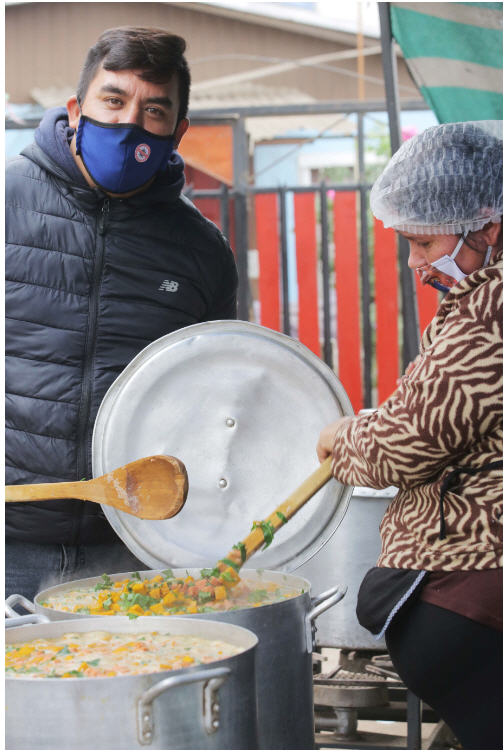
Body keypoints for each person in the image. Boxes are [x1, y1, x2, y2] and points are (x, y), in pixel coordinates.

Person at [6, 26, 238, 601]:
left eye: (153, 109)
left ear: (177, 131)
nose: (129, 122)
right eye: (113, 100)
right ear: (76, 109)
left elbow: (217, 396)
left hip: (130, 543)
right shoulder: (6, 206)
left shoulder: (201, 252)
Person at [317, 121, 502, 750]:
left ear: (487, 226)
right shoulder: (479, 299)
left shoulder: (491, 315)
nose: (415, 263)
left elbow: (412, 439)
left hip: (475, 586)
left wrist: (343, 440)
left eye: (423, 242)